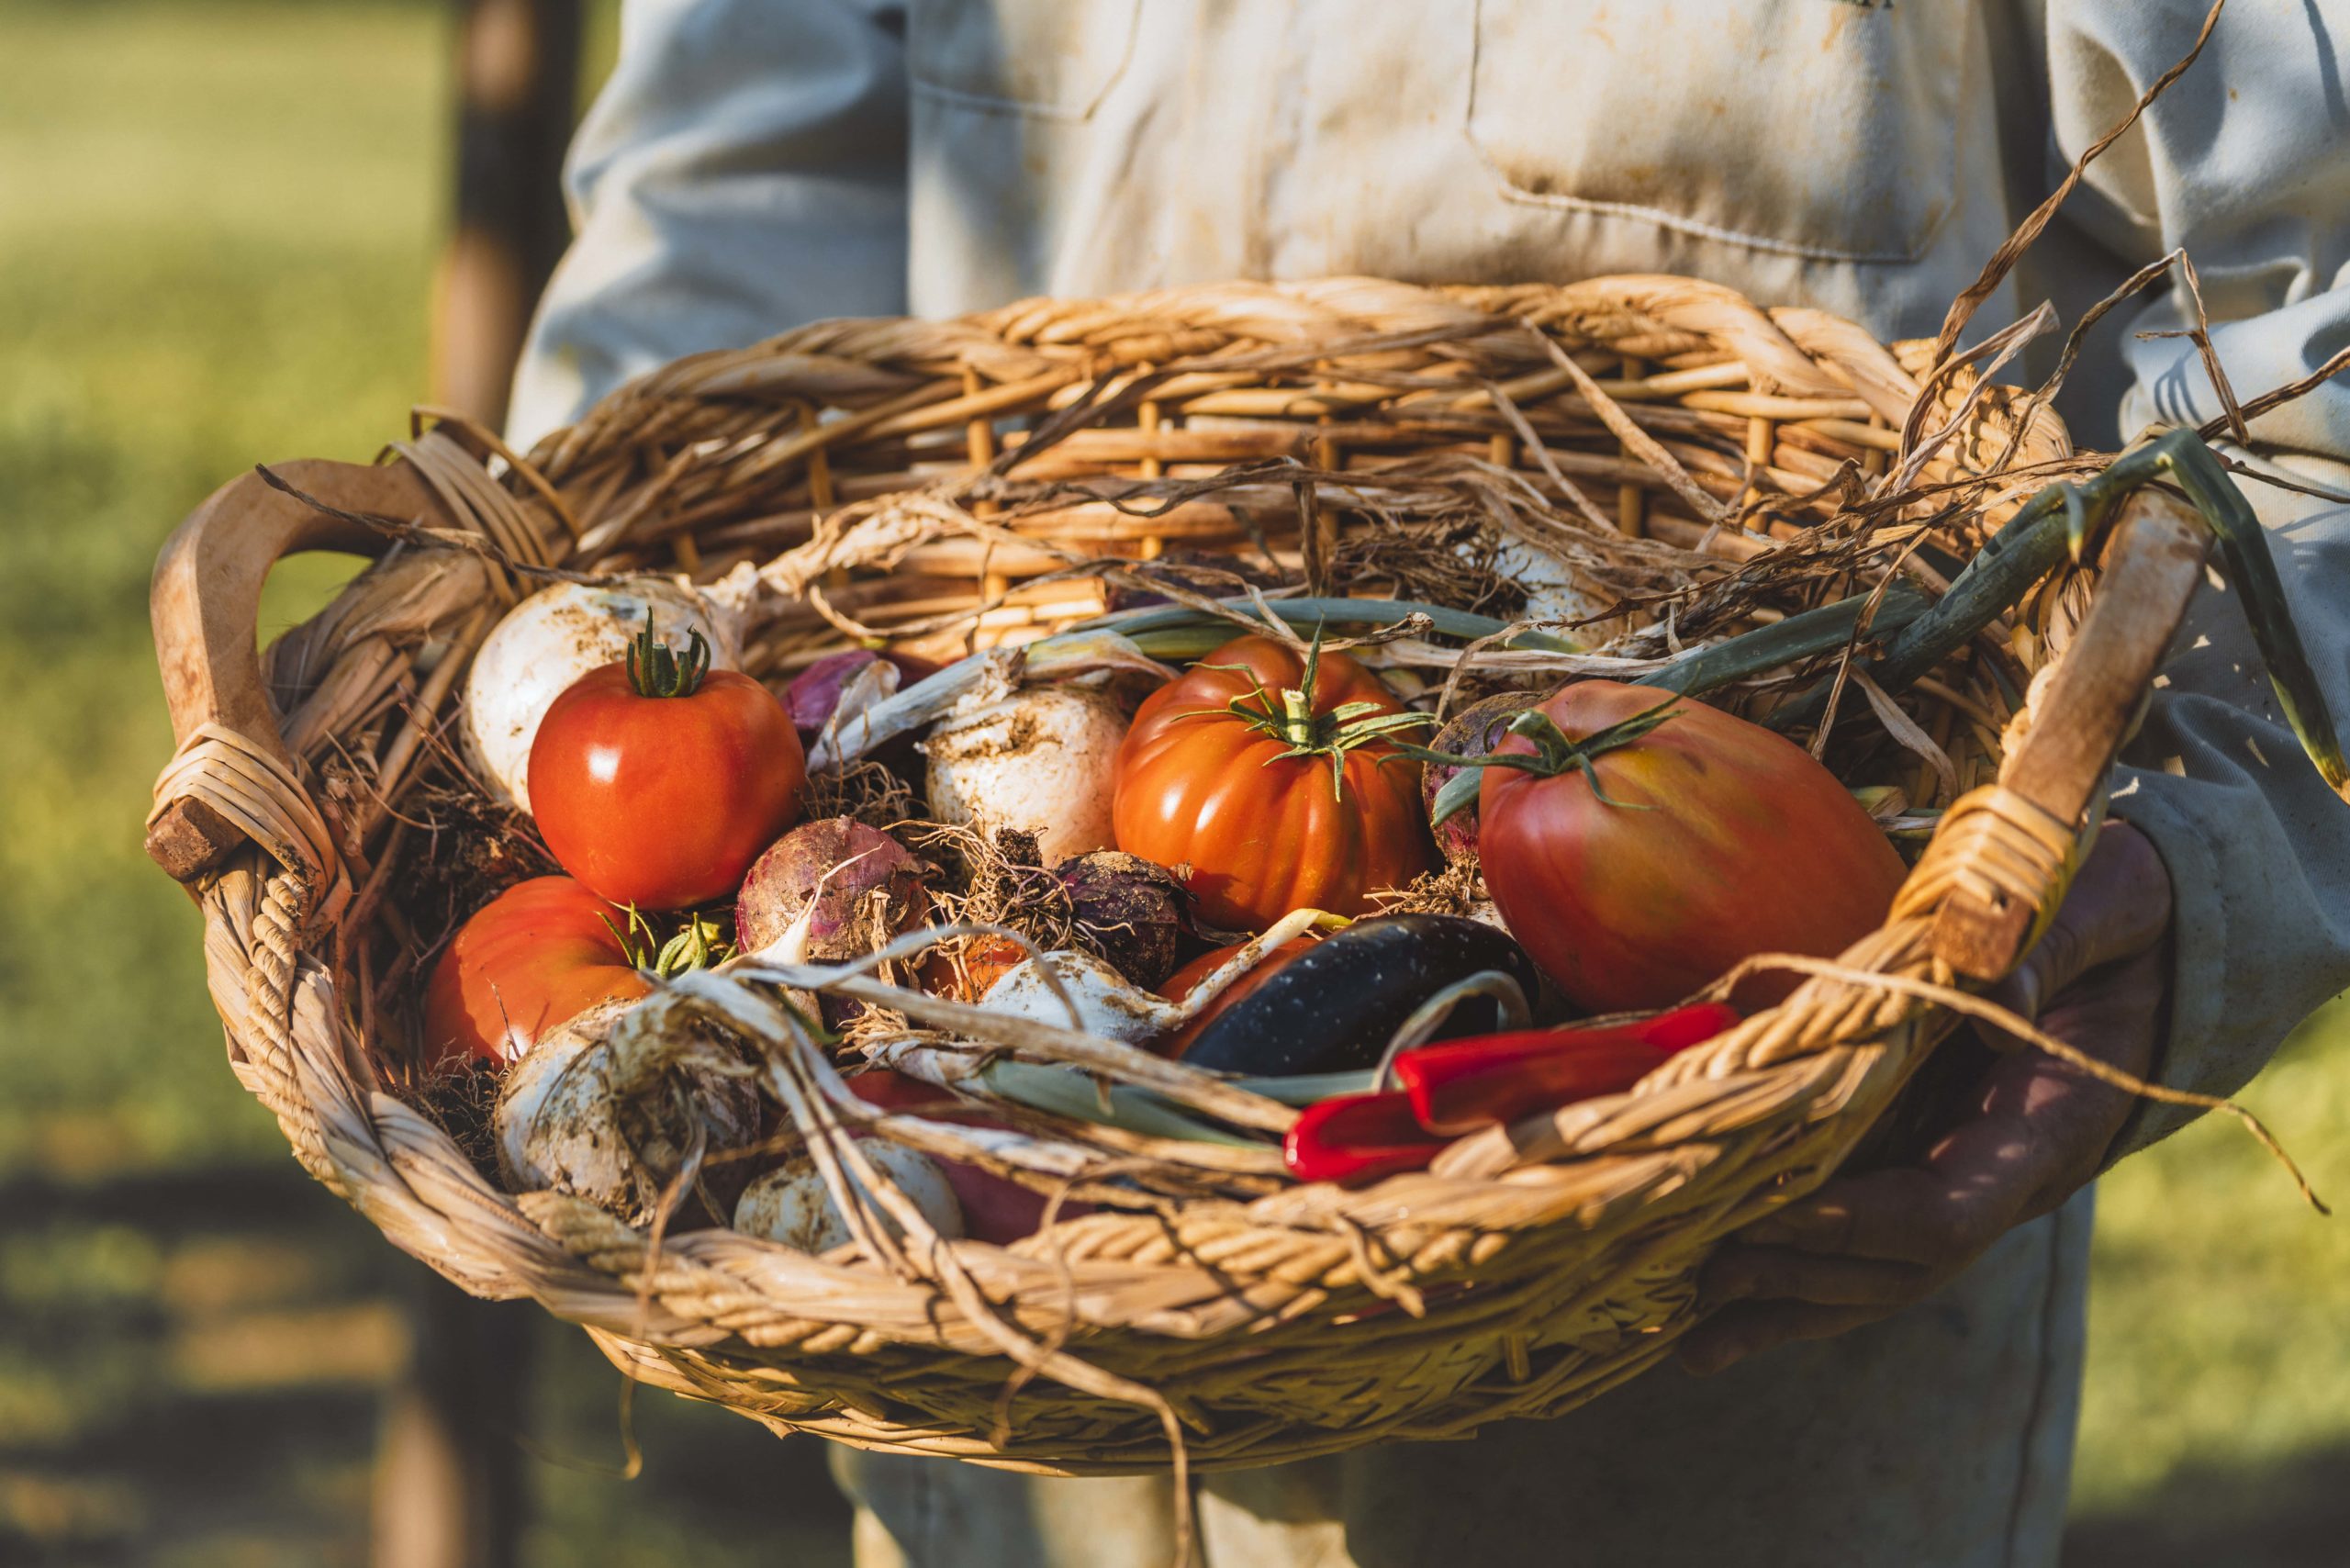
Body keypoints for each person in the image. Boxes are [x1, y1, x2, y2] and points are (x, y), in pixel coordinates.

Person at [509, 4, 2350, 1563]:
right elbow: (738, 202)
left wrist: (2190, 858)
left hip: (1733, 1278)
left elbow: (2309, 302)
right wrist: (594, 733)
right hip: (983, 1306)